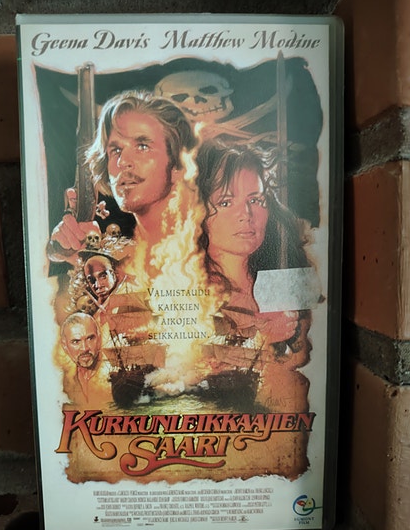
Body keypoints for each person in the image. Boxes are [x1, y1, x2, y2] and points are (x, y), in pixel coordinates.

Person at [196, 140, 312, 409]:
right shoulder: (183, 286)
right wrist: (261, 340)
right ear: (198, 211)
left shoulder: (287, 275)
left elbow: (311, 359)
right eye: (226, 202)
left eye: (255, 200)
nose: (246, 214)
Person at [48, 91, 197, 266]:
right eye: (116, 150)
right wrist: (67, 245)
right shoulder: (125, 254)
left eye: (142, 146)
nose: (122, 161)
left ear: (178, 164)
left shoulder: (205, 244)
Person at [59, 312, 111, 405]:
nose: (84, 348)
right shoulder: (62, 381)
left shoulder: (112, 375)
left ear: (99, 339)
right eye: (76, 342)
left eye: (90, 338)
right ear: (65, 346)